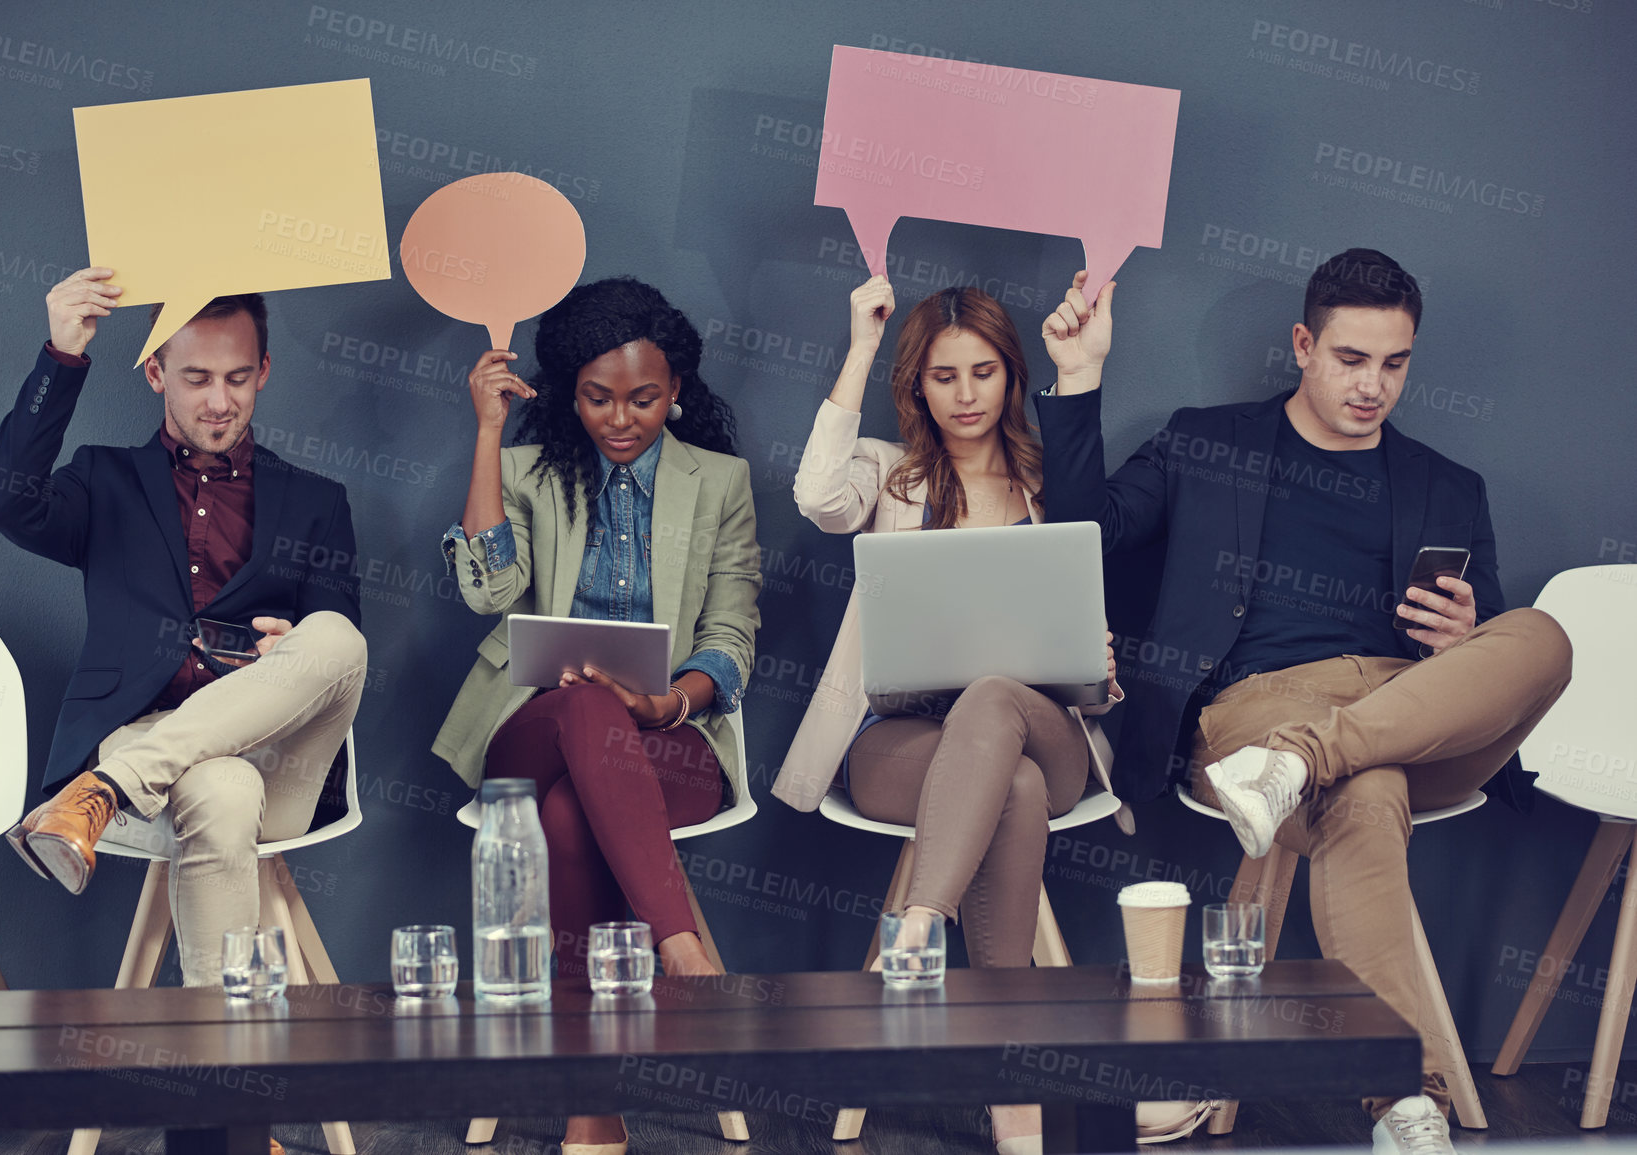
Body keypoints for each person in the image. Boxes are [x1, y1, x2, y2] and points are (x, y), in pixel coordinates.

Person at [1037, 251, 1572, 1153]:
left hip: (1402, 704)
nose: (1373, 385)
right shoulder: (1206, 440)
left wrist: (1463, 640)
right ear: (1302, 344)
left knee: (1543, 638)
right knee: (1364, 795)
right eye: (1351, 358)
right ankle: (1407, 1102)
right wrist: (1078, 378)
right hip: (1254, 709)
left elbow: (1488, 668)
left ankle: (1302, 761)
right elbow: (1083, 534)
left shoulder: (1450, 485)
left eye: (1394, 363)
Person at [772, 275, 1132, 1155]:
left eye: (983, 373)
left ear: (1011, 377)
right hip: (906, 740)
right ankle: (1014, 1110)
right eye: (943, 376)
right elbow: (816, 496)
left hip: (1048, 731)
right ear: (916, 384)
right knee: (1000, 781)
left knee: (996, 699)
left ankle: (920, 925)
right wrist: (858, 343)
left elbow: (1099, 609)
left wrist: (1100, 659)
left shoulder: (1053, 483)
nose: (965, 395)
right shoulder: (888, 475)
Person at [433, 277, 760, 1155]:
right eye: (597, 397)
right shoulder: (524, 472)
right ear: (567, 392)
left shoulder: (719, 483)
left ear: (677, 390)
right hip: (531, 731)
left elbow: (731, 633)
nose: (621, 418)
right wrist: (488, 432)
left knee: (570, 818)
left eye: (644, 398)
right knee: (579, 701)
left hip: (668, 741)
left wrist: (667, 701)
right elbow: (485, 592)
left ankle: (594, 1110)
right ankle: (682, 952)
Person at [0, 268, 368, 995]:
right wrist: (62, 355)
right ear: (156, 371)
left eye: (237, 377)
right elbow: (7, 502)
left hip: (276, 757)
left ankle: (96, 793)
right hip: (149, 733)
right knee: (219, 792)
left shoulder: (319, 501)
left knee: (338, 639)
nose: (219, 402)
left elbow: (337, 645)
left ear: (264, 373)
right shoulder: (103, 480)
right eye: (196, 378)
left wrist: (291, 646)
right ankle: (220, 1081)